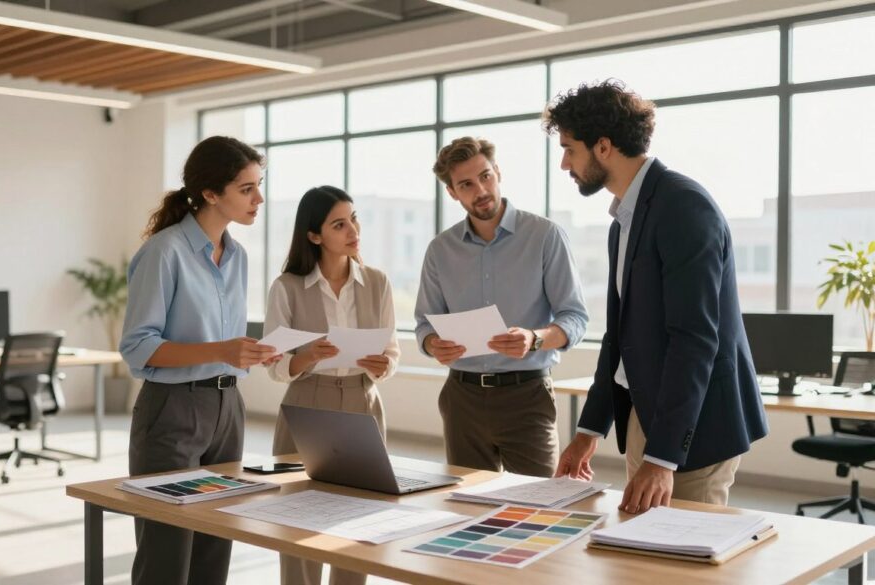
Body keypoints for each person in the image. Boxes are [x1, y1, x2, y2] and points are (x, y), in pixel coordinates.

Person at [543, 80, 769, 512]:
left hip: (696, 426)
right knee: (641, 558)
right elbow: (620, 338)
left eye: (570, 148)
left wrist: (663, 457)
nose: (563, 164)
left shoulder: (683, 207)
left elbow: (695, 338)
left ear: (603, 147)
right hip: (648, 415)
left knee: (686, 567)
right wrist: (589, 430)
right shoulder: (623, 222)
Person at [120, 135, 278, 585]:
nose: (259, 198)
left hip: (228, 409)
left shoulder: (238, 256)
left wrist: (251, 349)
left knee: (215, 545)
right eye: (247, 189)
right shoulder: (164, 252)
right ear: (211, 193)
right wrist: (221, 350)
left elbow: (224, 340)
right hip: (173, 409)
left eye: (259, 185)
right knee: (167, 554)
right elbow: (138, 347)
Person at [414, 136, 589, 478]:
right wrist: (433, 344)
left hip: (527, 396)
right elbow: (424, 323)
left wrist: (534, 338)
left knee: (539, 505)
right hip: (461, 398)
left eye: (485, 176)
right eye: (466, 184)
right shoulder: (440, 250)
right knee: (465, 506)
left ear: (498, 172)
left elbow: (575, 317)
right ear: (452, 192)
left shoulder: (544, 235)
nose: (480, 190)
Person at [265, 185, 400, 585]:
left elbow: (391, 351)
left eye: (354, 218)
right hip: (307, 402)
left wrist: (383, 363)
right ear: (314, 235)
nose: (352, 229)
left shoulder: (377, 282)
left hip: (362, 399)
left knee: (358, 521)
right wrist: (306, 357)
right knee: (299, 522)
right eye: (339, 224)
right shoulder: (287, 286)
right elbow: (273, 365)